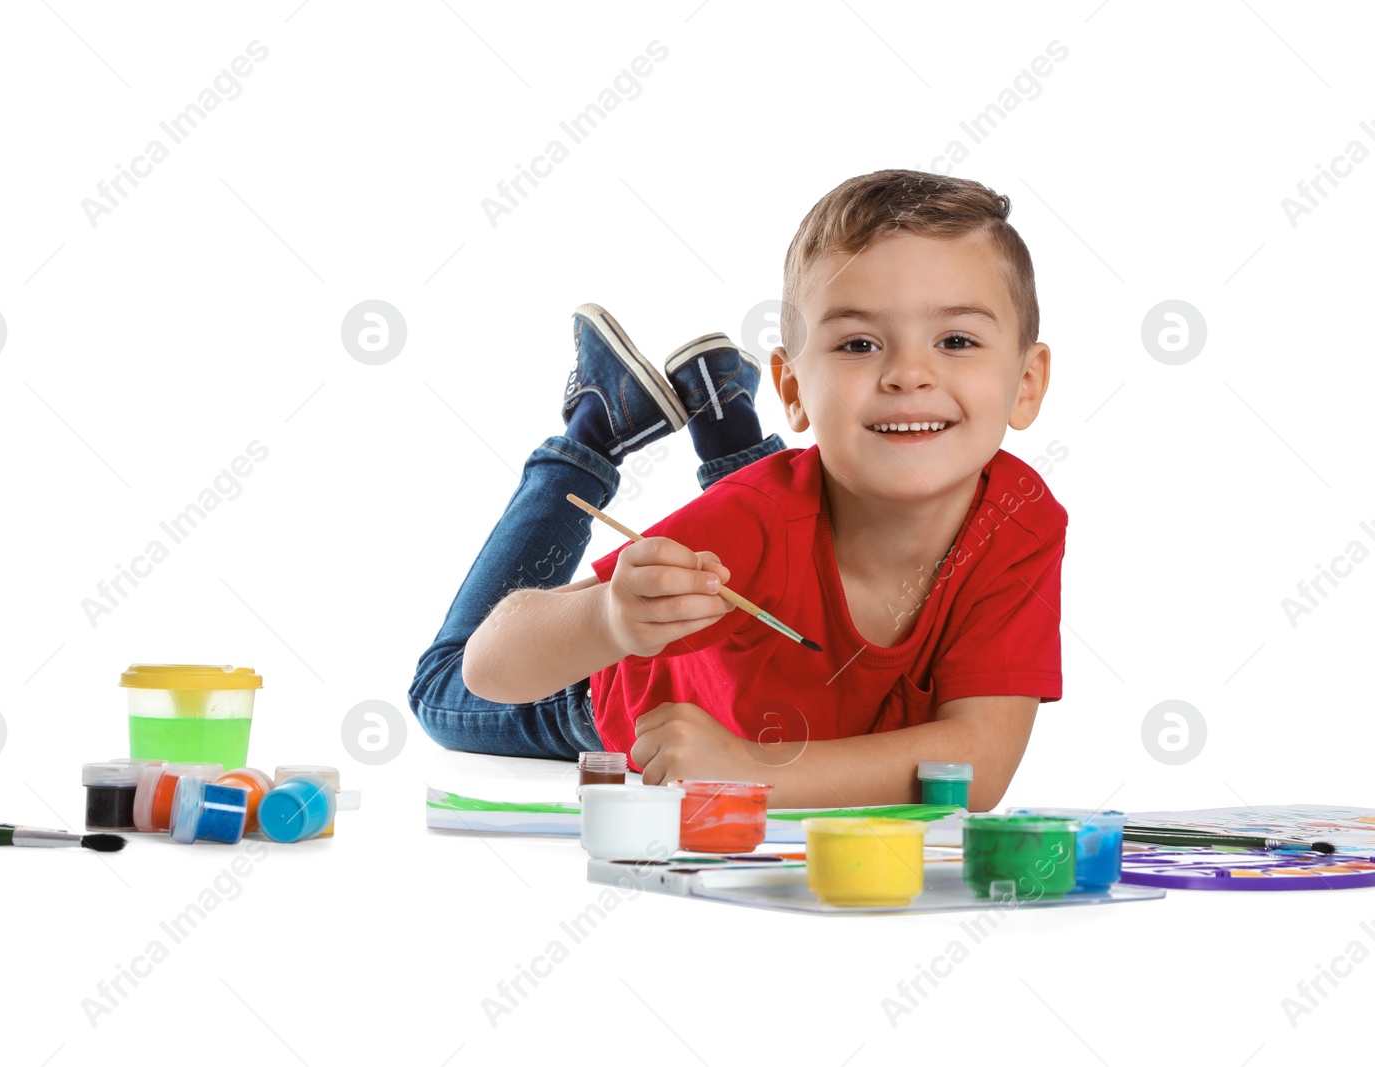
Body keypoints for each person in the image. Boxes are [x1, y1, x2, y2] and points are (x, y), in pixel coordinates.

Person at [407, 169, 1064, 811]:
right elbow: (485, 667)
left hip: (750, 698)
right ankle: (591, 435)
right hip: (610, 702)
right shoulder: (752, 518)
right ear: (793, 390)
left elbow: (977, 766)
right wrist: (610, 618)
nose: (909, 373)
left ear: (1027, 382)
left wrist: (756, 770)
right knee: (437, 692)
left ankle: (723, 412)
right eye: (860, 343)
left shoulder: (1020, 520)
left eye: (956, 339)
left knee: (802, 493)